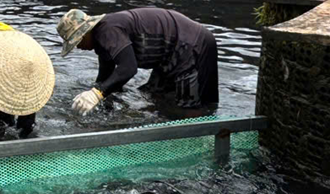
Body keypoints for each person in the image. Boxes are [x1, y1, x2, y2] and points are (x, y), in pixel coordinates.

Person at [57, 7, 219, 116]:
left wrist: (97, 94)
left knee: (188, 111)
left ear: (85, 33)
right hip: (170, 55)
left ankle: (205, 137)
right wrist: (100, 103)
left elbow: (128, 68)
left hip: (192, 45)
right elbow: (106, 79)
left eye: (77, 42)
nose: (77, 47)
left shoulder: (108, 31)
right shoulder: (102, 41)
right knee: (153, 96)